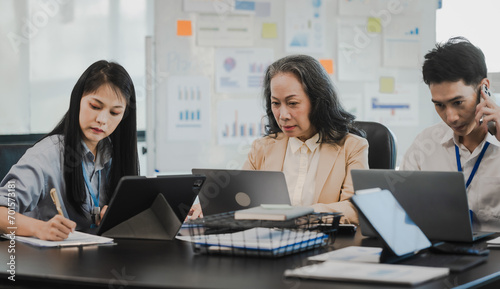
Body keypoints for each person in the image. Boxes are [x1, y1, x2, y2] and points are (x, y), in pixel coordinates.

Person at [0, 60, 139, 240]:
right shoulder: (46, 155)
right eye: (95, 106)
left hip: (100, 260)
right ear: (77, 101)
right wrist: (40, 228)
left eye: (114, 113)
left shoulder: (114, 155)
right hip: (50, 263)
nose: (102, 119)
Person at [242, 54, 368, 225]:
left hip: (327, 245)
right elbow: (240, 198)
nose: (283, 115)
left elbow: (354, 208)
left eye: (293, 103)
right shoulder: (262, 148)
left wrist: (302, 215)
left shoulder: (352, 147)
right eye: (276, 103)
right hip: (268, 243)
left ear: (318, 102)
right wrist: (208, 207)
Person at [400, 37, 500, 232]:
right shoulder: (425, 144)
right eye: (439, 105)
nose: (451, 118)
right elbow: (401, 209)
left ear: (484, 88)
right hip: (441, 251)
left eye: (458, 102)